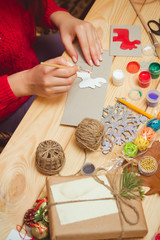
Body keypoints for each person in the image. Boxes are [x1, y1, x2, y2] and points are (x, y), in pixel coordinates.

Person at [0, 0, 103, 132]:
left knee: (79, 47)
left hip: (26, 52)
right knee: (73, 119)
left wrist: (62, 18)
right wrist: (25, 82)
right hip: (8, 102)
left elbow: (34, 6)